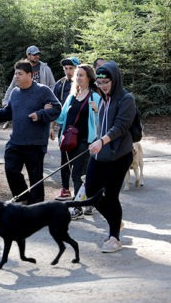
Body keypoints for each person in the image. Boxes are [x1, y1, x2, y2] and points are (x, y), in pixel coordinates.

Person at [0, 60, 61, 204]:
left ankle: (37, 206)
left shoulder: (43, 90)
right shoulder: (15, 92)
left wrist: (40, 114)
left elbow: (57, 109)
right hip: (16, 141)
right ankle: (24, 198)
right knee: (11, 170)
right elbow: (7, 114)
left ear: (30, 75)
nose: (16, 77)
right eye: (15, 74)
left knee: (35, 177)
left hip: (35, 143)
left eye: (20, 74)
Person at [85, 61, 135, 253]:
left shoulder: (126, 98)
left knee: (111, 195)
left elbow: (120, 127)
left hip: (119, 155)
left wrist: (101, 141)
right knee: (91, 192)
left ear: (115, 80)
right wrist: (96, 142)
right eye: (100, 82)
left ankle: (114, 237)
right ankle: (115, 220)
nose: (103, 85)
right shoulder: (102, 98)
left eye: (106, 82)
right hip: (100, 152)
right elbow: (102, 125)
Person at [52, 64, 101, 218]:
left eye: (81, 75)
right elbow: (61, 116)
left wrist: (97, 110)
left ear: (89, 78)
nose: (78, 78)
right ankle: (90, 202)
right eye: (77, 75)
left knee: (77, 174)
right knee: (85, 174)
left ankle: (78, 207)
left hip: (86, 141)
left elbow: (103, 121)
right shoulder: (72, 96)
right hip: (70, 140)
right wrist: (49, 112)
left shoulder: (95, 97)